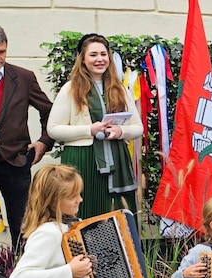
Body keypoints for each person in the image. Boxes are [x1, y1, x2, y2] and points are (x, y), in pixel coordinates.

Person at [0, 24, 54, 252]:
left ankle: (23, 273)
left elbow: (49, 111)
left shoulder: (24, 77)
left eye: (2, 52)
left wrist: (44, 142)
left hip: (17, 160)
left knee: (22, 223)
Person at [47, 33, 143, 220]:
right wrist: (89, 130)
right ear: (83, 59)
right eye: (93, 55)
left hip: (116, 158)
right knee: (84, 212)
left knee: (117, 215)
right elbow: (53, 129)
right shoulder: (70, 89)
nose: (99, 59)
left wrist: (121, 131)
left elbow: (138, 127)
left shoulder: (120, 89)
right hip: (83, 159)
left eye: (103, 54)